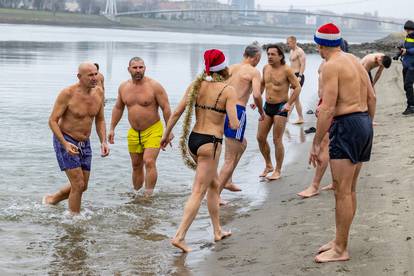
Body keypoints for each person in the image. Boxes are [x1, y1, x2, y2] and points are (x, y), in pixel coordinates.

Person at [160, 49, 239, 253]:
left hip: (194, 140)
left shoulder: (196, 85)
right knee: (198, 191)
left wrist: (165, 135)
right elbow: (234, 123)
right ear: (224, 67)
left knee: (213, 184)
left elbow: (177, 112)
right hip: (211, 143)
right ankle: (179, 236)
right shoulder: (228, 90)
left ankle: (217, 230)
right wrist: (236, 117)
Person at [310, 23, 376, 263]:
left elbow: (327, 108)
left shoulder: (330, 65)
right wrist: (366, 125)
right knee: (349, 190)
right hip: (362, 123)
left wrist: (317, 143)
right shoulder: (355, 61)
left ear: (319, 44)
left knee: (341, 191)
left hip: (347, 125)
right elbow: (372, 97)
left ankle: (341, 248)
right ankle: (339, 240)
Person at [43, 62, 110, 214]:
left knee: (83, 185)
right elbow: (52, 120)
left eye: (96, 74)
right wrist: (65, 144)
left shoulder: (99, 92)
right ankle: (74, 220)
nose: (95, 78)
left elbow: (99, 119)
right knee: (78, 184)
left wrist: (103, 141)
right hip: (66, 139)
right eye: (90, 75)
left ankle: (52, 199)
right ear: (79, 77)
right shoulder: (67, 94)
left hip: (84, 143)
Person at [108, 57, 172, 196]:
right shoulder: (124, 87)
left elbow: (166, 107)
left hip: (153, 129)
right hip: (134, 132)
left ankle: (148, 195)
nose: (138, 70)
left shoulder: (154, 86)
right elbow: (118, 108)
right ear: (129, 69)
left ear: (145, 68)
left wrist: (169, 130)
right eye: (135, 67)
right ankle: (136, 195)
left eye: (141, 67)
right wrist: (112, 128)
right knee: (136, 165)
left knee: (149, 161)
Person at [217, 42, 264, 203]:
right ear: (256, 57)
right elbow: (257, 95)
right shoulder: (254, 72)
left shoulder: (230, 68)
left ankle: (228, 180)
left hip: (221, 110)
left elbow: (217, 87)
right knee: (230, 158)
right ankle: (215, 195)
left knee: (242, 145)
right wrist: (261, 112)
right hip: (236, 112)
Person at [257, 44, 301, 180]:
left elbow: (297, 87)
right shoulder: (265, 68)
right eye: (268, 54)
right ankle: (268, 165)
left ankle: (278, 170)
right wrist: (256, 98)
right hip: (267, 106)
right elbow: (263, 84)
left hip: (280, 107)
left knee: (277, 140)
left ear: (280, 56)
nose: (269, 56)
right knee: (260, 137)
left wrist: (289, 104)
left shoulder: (287, 70)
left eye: (273, 54)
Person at [297, 62, 333, 198]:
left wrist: (325, 105)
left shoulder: (334, 65)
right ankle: (335, 182)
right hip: (324, 102)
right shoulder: (333, 62)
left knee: (324, 145)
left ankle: (315, 186)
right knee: (332, 146)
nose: (318, 49)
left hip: (328, 105)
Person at [286, 36, 306, 124]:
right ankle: (300, 118)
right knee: (295, 99)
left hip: (298, 76)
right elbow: (291, 64)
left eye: (288, 42)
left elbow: (303, 65)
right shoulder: (291, 51)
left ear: (294, 42)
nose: (287, 44)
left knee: (292, 97)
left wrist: (300, 76)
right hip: (292, 75)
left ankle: (286, 118)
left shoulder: (300, 51)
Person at [401, 20, 414, 115]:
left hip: (412, 65)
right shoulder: (408, 37)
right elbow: (406, 47)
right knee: (406, 86)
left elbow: (411, 49)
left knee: (408, 85)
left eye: (409, 30)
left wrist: (407, 51)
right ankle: (410, 105)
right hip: (406, 64)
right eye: (406, 30)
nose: (407, 32)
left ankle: (411, 106)